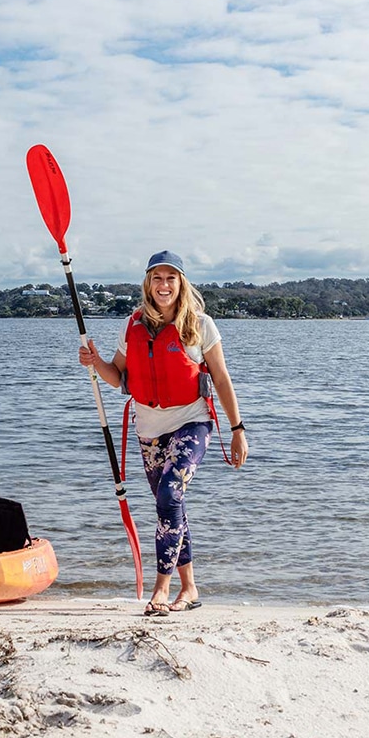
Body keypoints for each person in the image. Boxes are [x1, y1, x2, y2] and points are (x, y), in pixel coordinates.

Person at [79, 250, 248, 616]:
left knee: (169, 496)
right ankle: (189, 588)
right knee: (171, 507)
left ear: (181, 284)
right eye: (158, 278)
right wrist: (96, 364)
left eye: (171, 278)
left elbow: (220, 377)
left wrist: (238, 429)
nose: (164, 285)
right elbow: (118, 377)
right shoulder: (133, 325)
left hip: (192, 423)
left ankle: (162, 589)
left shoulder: (200, 325)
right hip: (149, 432)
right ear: (148, 283)